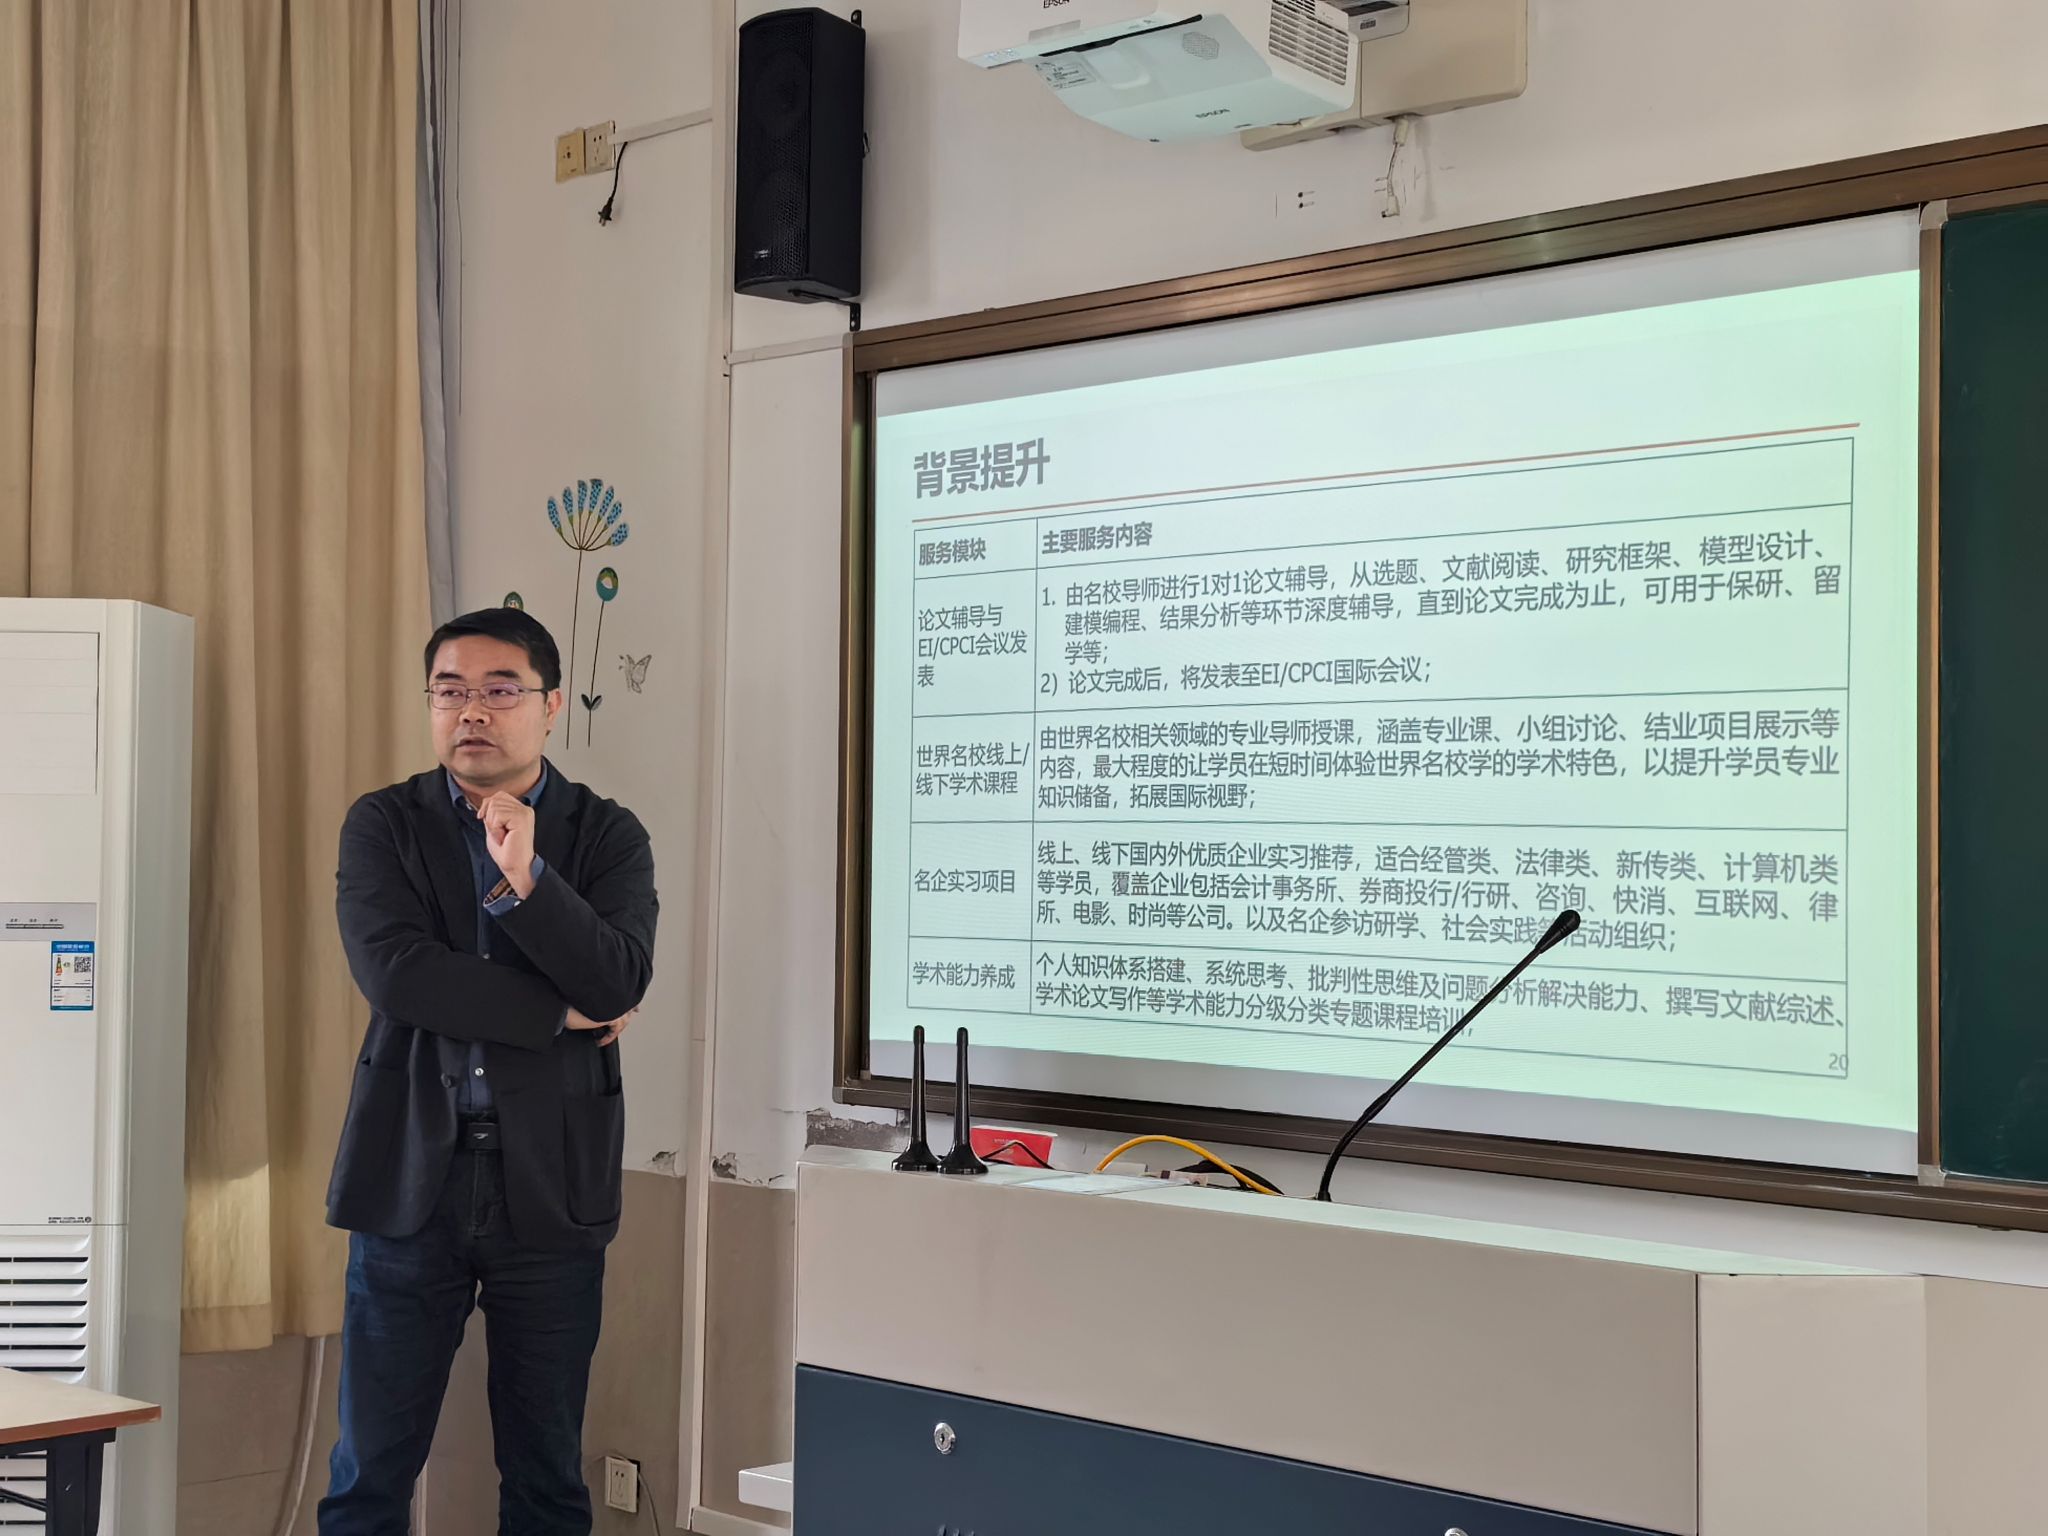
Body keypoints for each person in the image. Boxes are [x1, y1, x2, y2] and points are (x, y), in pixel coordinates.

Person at [318, 606, 657, 1535]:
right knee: (369, 1470)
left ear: (550, 707)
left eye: (500, 690)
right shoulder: (384, 824)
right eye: (450, 691)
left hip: (550, 1185)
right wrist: (558, 1012)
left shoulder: (606, 835)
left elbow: (617, 978)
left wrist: (528, 879)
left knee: (546, 1474)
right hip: (408, 1180)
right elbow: (398, 974)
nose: (472, 710)